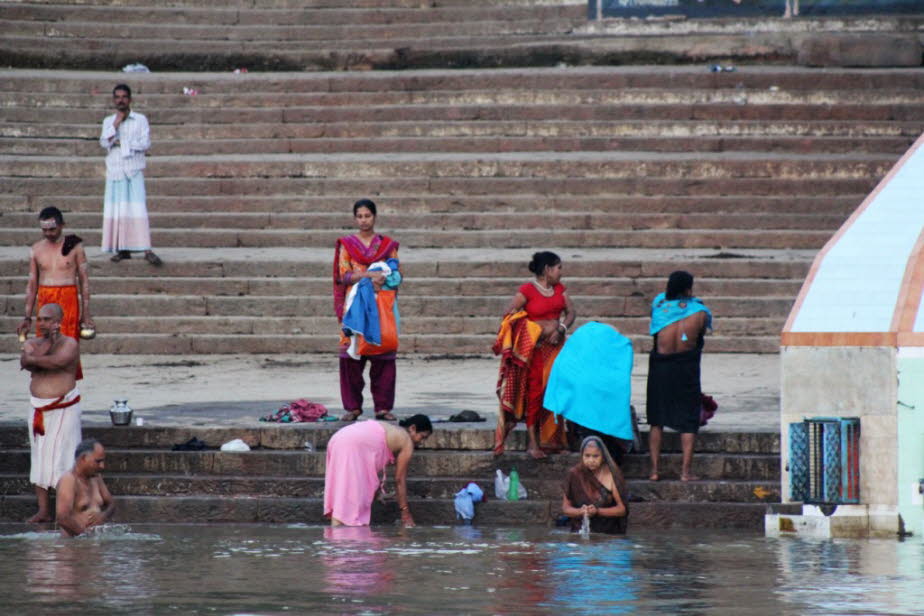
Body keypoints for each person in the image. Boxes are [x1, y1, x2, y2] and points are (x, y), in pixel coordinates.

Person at [493, 251, 575, 459]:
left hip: (556, 349)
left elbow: (571, 313)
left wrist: (561, 329)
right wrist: (531, 331)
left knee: (556, 391)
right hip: (536, 351)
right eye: (558, 268)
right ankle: (533, 443)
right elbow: (509, 315)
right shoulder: (527, 290)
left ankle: (555, 441)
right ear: (547, 270)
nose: (561, 272)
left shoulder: (560, 290)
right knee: (536, 394)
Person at [333, 198, 401, 421]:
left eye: (367, 216)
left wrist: (383, 280)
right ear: (355, 218)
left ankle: (383, 407)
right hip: (355, 306)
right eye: (359, 216)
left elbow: (396, 274)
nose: (364, 220)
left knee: (384, 355)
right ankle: (352, 407)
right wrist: (367, 276)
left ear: (375, 216)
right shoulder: (347, 244)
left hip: (381, 305)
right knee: (350, 356)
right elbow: (344, 275)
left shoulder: (387, 245)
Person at [646, 271, 712, 482]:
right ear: (688, 289)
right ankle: (685, 472)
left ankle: (655, 471)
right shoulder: (700, 312)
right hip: (686, 368)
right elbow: (701, 335)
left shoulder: (658, 307)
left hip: (660, 369)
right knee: (688, 420)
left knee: (656, 420)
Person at [20, 303, 82, 524]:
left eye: (47, 319)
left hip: (64, 409)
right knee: (39, 459)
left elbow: (58, 362)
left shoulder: (71, 343)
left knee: (65, 458)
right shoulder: (31, 342)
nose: (42, 323)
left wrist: (37, 358)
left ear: (58, 322)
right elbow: (25, 362)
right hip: (38, 409)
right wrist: (46, 344)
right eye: (40, 319)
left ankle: (66, 512)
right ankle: (44, 511)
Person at [543, 321, 636, 466]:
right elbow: (625, 352)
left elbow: (561, 367)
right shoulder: (612, 354)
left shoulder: (579, 347)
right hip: (609, 422)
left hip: (585, 419)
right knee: (610, 454)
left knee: (591, 451)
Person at [17, 206, 92, 380]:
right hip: (45, 300)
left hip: (68, 300)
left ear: (62, 225)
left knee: (67, 346)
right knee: (44, 346)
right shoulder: (36, 249)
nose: (48, 233)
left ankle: (66, 391)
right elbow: (32, 284)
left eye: (52, 229)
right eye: (44, 230)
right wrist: (27, 317)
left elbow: (84, 281)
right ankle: (45, 389)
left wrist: (86, 314)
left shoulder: (75, 246)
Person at [324, 414, 432, 527]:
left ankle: (335, 537)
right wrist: (405, 513)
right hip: (352, 444)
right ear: (413, 428)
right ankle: (342, 537)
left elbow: (369, 471)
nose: (422, 442)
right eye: (423, 437)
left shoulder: (392, 431)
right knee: (352, 495)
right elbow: (399, 479)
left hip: (338, 438)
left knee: (342, 489)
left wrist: (377, 494)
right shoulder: (406, 441)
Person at [100, 83, 161, 265]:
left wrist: (123, 144)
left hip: (133, 170)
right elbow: (104, 143)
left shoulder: (140, 119)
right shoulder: (108, 121)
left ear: (130, 99)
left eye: (124, 97)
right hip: (116, 171)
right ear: (114, 100)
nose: (121, 100)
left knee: (138, 210)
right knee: (118, 211)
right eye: (117, 97)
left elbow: (144, 144)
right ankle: (122, 249)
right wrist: (116, 124)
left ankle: (146, 249)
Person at [561, 436, 628, 535]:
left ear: (603, 457)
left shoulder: (612, 475)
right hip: (580, 532)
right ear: (581, 456)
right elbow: (566, 509)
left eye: (596, 456)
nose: (591, 460)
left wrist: (598, 511)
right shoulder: (574, 474)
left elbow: (622, 509)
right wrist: (581, 512)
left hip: (608, 534)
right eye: (587, 456)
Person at [55, 439, 115, 537]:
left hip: (95, 544)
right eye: (98, 461)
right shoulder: (68, 480)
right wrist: (85, 536)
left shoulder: (96, 477)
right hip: (75, 547)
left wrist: (103, 517)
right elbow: (62, 518)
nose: (102, 466)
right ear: (84, 458)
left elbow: (111, 504)